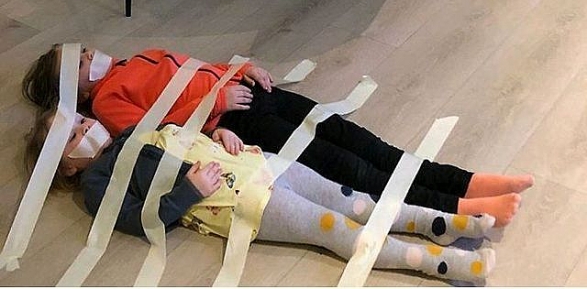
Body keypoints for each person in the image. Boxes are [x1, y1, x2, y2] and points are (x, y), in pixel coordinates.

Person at [23, 44, 533, 225]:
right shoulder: (107, 103)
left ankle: (463, 180)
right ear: (74, 89)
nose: (91, 55)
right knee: (345, 166)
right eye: (81, 62)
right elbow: (158, 138)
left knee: (356, 138)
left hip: (250, 93)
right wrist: (215, 106)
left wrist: (238, 69)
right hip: (235, 122)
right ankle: (451, 207)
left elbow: (192, 68)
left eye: (84, 50)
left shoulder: (136, 58)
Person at [25, 111, 497, 282]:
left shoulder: (135, 130)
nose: (87, 129)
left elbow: (188, 136)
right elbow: (136, 220)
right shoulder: (96, 183)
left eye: (81, 121)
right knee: (339, 230)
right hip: (240, 203)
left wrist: (221, 135)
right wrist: (186, 194)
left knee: (356, 201)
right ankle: (443, 264)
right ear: (65, 166)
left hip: (261, 163)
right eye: (73, 137)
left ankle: (442, 223)